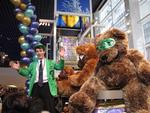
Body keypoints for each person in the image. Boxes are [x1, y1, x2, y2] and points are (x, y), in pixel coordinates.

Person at [10, 44, 65, 113]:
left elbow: (60, 67)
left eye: (40, 51)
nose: (39, 53)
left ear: (44, 52)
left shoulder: (51, 62)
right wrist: (19, 69)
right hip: (35, 87)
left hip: (47, 86)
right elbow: (26, 73)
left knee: (49, 107)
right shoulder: (32, 64)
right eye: (37, 51)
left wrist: (62, 58)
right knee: (34, 107)